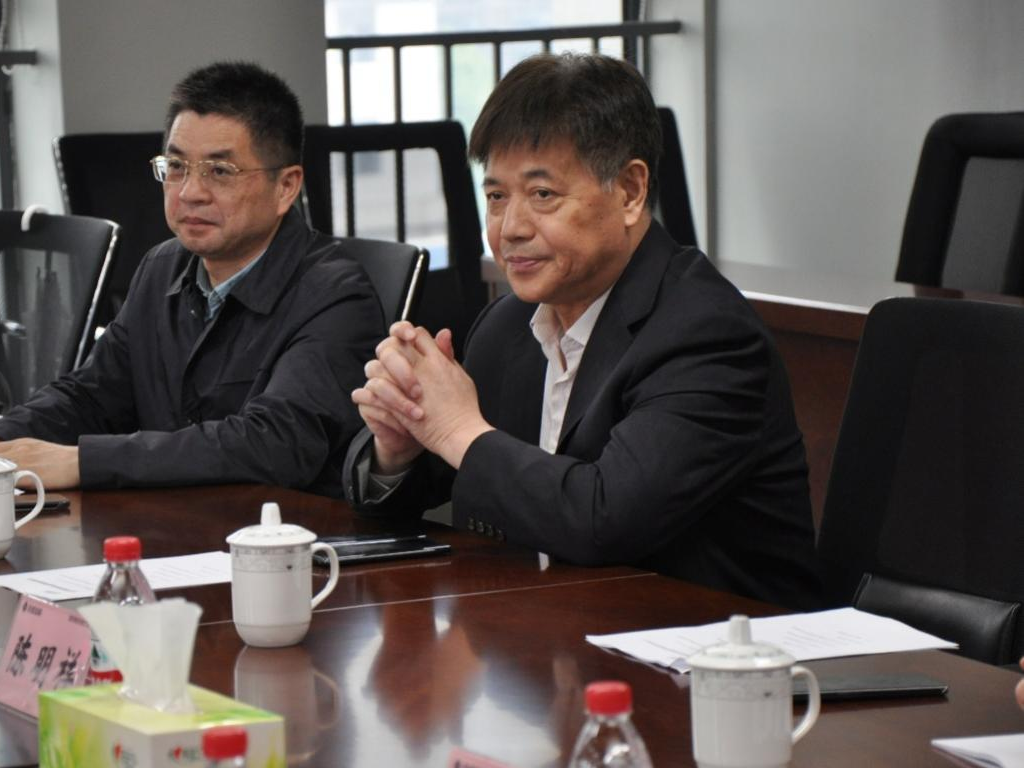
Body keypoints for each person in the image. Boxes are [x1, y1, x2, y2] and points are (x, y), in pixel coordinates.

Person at [347, 53, 822, 609]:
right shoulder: (506, 326)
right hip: (550, 629)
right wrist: (400, 445)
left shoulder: (707, 334)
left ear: (630, 192)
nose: (510, 228)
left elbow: (605, 520)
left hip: (714, 644)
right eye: (496, 196)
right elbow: (438, 481)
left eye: (543, 195)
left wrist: (453, 428)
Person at [0, 61, 381, 496]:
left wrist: (80, 462)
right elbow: (93, 394)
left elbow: (273, 443)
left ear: (286, 187)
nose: (190, 192)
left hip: (287, 545)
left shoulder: (337, 296)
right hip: (174, 529)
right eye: (177, 167)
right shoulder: (163, 266)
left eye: (220, 171)